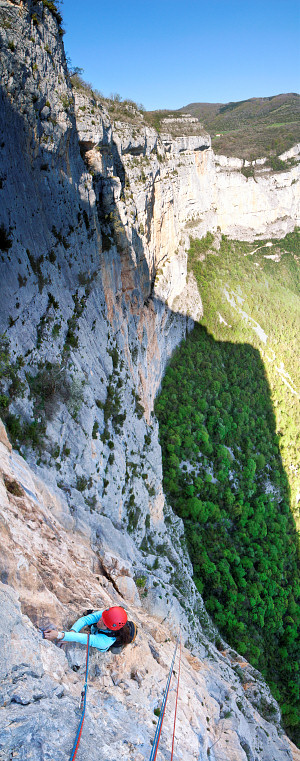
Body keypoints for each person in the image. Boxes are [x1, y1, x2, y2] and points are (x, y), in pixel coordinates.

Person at [43, 606, 131, 652]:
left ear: (110, 628)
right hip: (100, 631)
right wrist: (73, 631)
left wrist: (59, 635)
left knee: (111, 649)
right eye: (101, 619)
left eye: (103, 624)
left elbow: (83, 638)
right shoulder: (107, 616)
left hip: (102, 644)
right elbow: (85, 619)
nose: (100, 621)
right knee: (90, 614)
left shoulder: (105, 641)